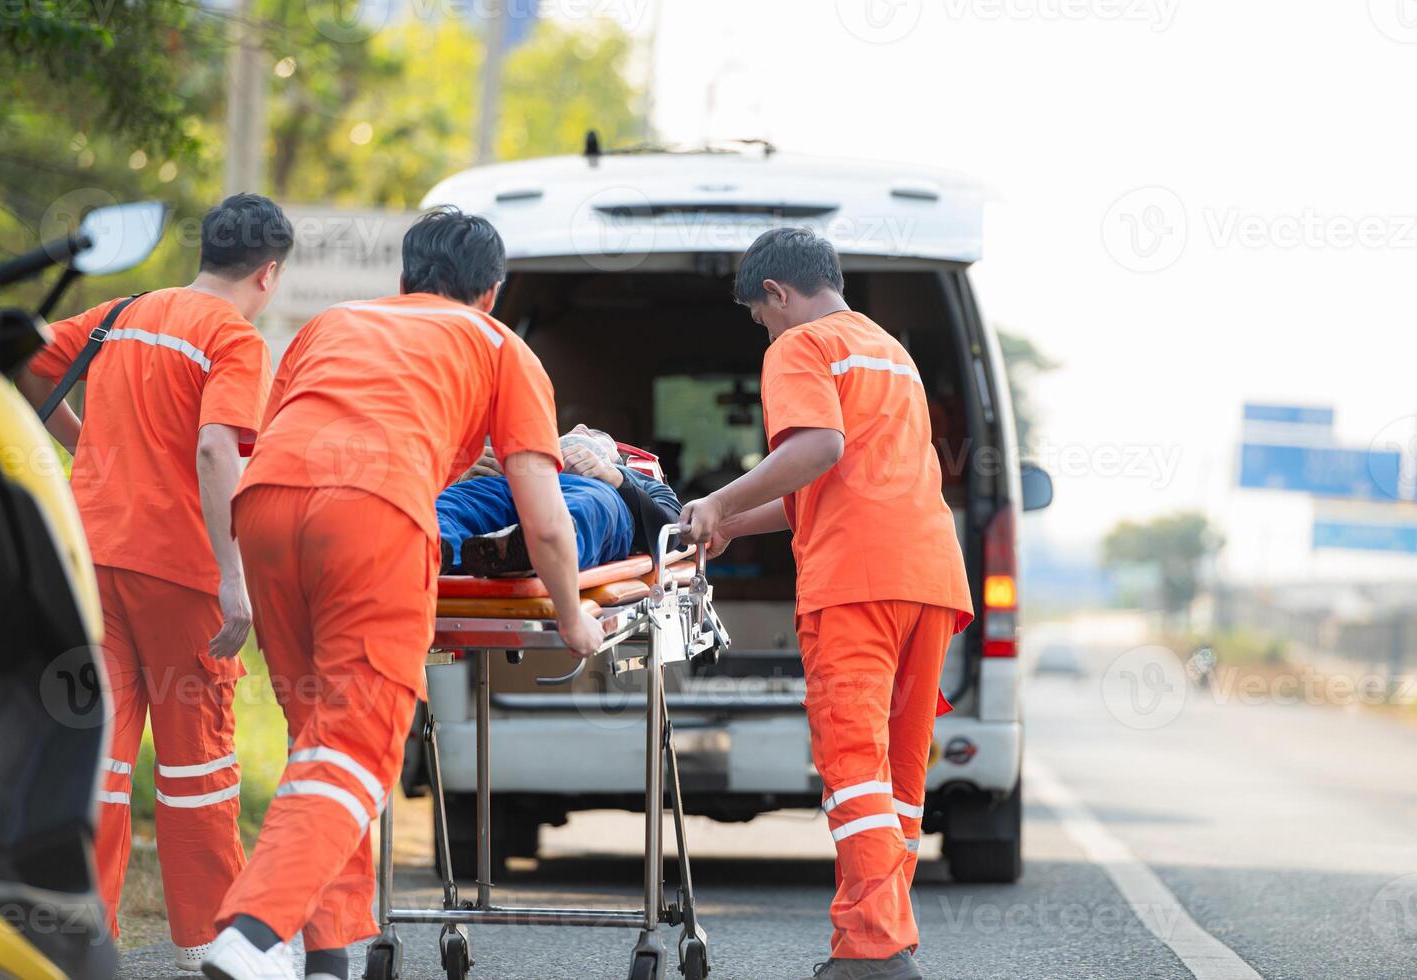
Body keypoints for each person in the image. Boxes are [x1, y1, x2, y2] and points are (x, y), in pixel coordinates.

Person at [200, 207, 604, 980]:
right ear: (492, 292)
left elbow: (276, 428)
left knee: (320, 741)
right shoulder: (500, 346)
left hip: (266, 505)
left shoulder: (332, 322)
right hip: (373, 509)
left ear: (404, 280)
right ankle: (253, 933)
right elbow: (547, 523)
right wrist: (572, 618)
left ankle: (328, 956)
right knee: (358, 743)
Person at [678, 228, 973, 980]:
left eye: (759, 317)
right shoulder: (889, 352)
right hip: (930, 581)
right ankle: (887, 938)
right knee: (898, 779)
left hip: (857, 583)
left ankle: (873, 952)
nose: (764, 331)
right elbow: (830, 478)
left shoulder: (800, 348)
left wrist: (711, 496)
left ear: (776, 294)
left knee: (853, 766)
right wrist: (732, 522)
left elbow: (816, 449)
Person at [15, 193, 291, 971]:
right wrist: (235, 579)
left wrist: (87, 450)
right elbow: (216, 452)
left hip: (91, 556)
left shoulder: (124, 313)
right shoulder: (233, 338)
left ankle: (80, 933)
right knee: (197, 765)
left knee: (94, 756)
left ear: (207, 252)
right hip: (180, 574)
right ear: (269, 273)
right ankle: (210, 942)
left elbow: (28, 361)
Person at [439, 425, 682, 576]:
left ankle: (534, 549)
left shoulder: (628, 479)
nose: (581, 427)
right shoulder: (520, 456)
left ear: (615, 456)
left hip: (594, 492)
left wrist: (613, 478)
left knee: (589, 506)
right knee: (452, 503)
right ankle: (435, 547)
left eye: (595, 433)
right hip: (513, 484)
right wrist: (463, 478)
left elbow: (671, 530)